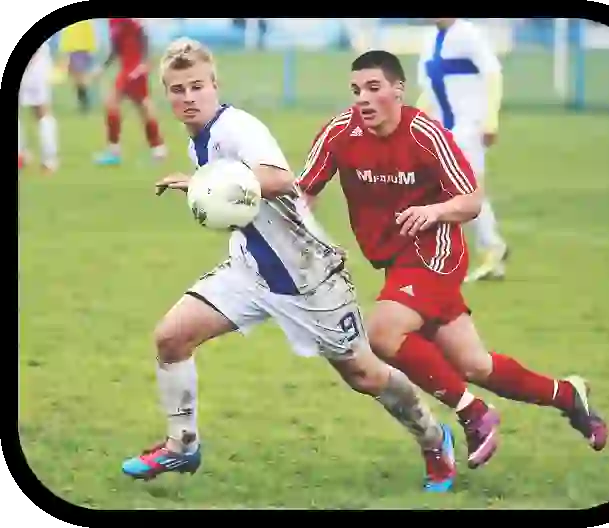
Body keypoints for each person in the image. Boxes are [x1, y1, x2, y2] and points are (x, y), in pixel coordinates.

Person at [121, 38, 458, 493]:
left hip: (308, 278)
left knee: (364, 374)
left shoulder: (238, 128)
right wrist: (208, 187)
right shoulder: (198, 140)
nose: (188, 97)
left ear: (214, 85)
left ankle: (434, 438)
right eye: (177, 89)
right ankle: (182, 445)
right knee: (171, 337)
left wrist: (212, 182)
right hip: (251, 271)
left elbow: (282, 180)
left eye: (197, 86)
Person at [296, 50, 609, 461]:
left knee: (384, 333)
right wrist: (295, 235)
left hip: (435, 253)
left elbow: (471, 200)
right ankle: (569, 397)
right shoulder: (339, 133)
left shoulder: (425, 134)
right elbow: (303, 192)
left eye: (374, 88)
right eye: (356, 90)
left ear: (398, 90)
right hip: (395, 262)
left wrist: (434, 211)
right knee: (475, 365)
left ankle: (473, 413)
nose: (363, 99)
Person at [417, 18, 508, 282]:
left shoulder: (468, 34)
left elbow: (493, 73)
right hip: (444, 129)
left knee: (463, 190)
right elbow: (430, 90)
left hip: (470, 126)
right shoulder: (429, 40)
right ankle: (488, 249)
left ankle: (490, 249)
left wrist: (491, 118)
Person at [92, 18, 166, 165]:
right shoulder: (112, 22)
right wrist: (103, 66)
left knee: (114, 102)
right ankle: (158, 149)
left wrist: (144, 62)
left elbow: (143, 35)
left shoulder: (128, 20)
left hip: (135, 68)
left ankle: (114, 151)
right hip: (127, 68)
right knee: (142, 106)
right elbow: (116, 48)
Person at [19, 41, 59, 173]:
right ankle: (48, 161)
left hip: (37, 62)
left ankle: (21, 155)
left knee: (41, 111)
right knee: (42, 111)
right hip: (38, 61)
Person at [58, 19, 98, 113]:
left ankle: (85, 102)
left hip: (81, 50)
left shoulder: (86, 23)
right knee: (76, 78)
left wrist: (91, 49)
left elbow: (90, 35)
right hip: (73, 51)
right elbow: (66, 36)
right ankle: (83, 101)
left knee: (80, 78)